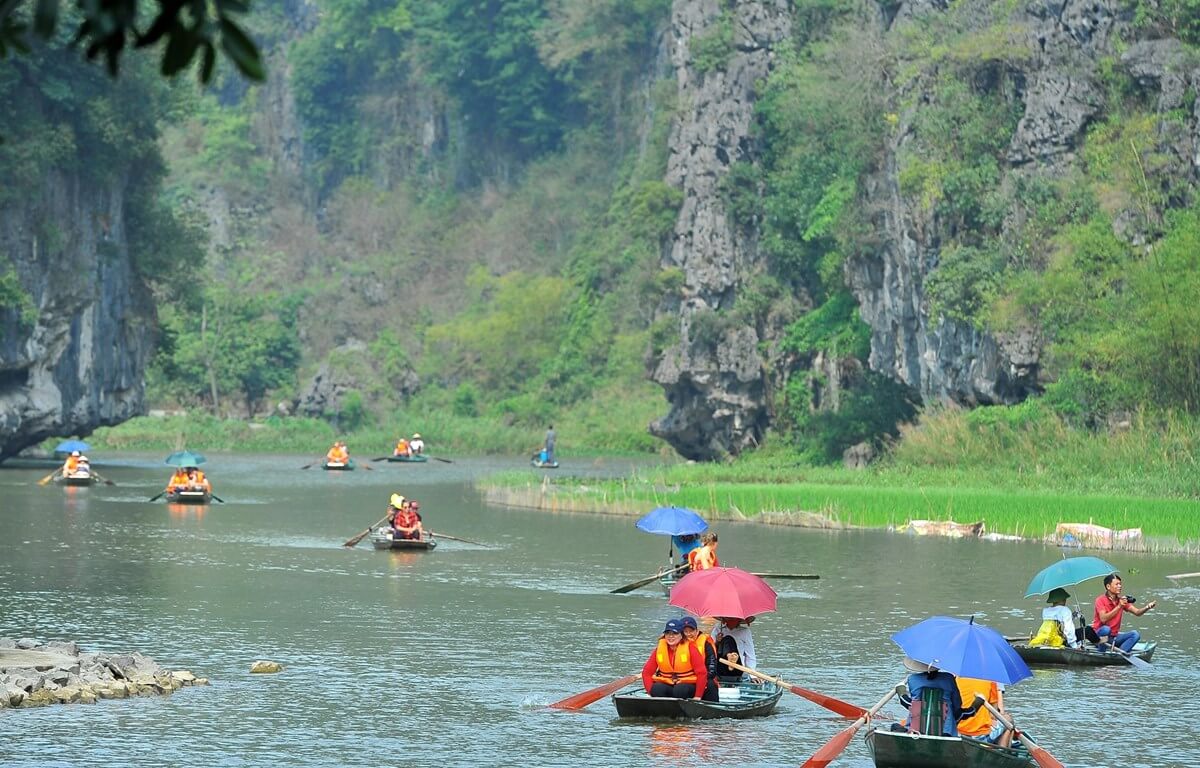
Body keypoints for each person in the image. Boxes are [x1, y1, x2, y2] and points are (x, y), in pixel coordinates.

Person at [641, 618, 707, 700]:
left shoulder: (691, 648)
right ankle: (663, 708)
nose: (671, 636)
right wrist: (650, 692)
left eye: (675, 633)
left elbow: (702, 673)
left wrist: (698, 696)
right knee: (657, 688)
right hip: (668, 684)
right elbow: (646, 673)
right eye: (668, 633)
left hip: (687, 685)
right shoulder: (659, 649)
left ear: (681, 635)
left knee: (680, 690)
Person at [897, 657, 963, 737]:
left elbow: (909, 703)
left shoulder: (913, 679)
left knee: (895, 726)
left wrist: (901, 689)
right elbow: (957, 704)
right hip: (946, 730)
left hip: (915, 729)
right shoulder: (948, 678)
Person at [1092, 573, 1156, 653]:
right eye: (1117, 584)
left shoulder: (1121, 600)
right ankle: (1101, 652)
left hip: (1113, 637)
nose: (1120, 586)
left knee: (1135, 634)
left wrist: (1147, 607)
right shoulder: (1100, 600)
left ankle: (1119, 655)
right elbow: (1103, 619)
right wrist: (1119, 606)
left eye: (1120, 584)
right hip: (1099, 637)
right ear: (1108, 586)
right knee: (1106, 629)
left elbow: (1137, 612)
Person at [955, 677, 1013, 746]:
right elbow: (993, 715)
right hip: (979, 737)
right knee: (1008, 720)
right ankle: (1002, 750)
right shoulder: (991, 680)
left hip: (957, 733)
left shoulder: (955, 679)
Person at [681, 617, 720, 702]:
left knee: (710, 684)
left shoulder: (706, 643)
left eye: (691, 631)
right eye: (685, 631)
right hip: (683, 679)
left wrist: (700, 679)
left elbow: (712, 668)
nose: (688, 634)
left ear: (696, 631)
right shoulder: (676, 643)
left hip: (703, 677)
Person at [711, 615, 756, 680]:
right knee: (727, 639)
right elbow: (710, 652)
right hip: (720, 666)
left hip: (737, 667)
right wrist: (717, 642)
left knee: (729, 640)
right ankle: (729, 657)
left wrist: (753, 675)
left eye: (734, 618)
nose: (731, 620)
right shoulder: (717, 630)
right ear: (724, 619)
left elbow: (750, 655)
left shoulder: (745, 632)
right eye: (729, 618)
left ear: (739, 620)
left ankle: (732, 658)